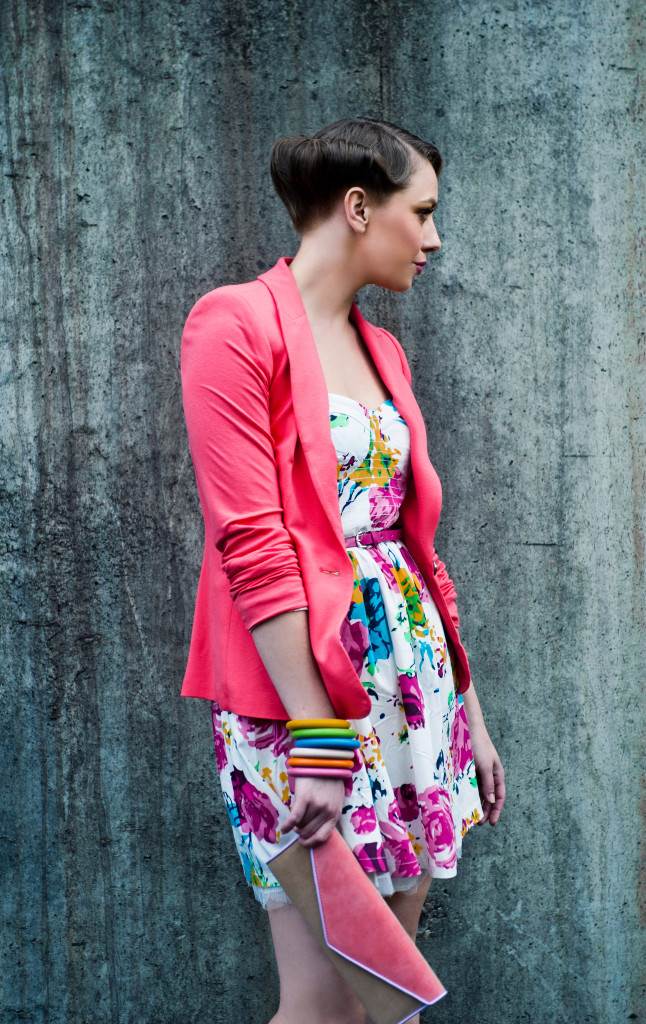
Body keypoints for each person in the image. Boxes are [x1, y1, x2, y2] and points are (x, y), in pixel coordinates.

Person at [180, 116, 506, 1024]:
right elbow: (253, 546)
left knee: (380, 1004)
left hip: (413, 693)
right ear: (360, 208)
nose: (435, 239)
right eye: (423, 212)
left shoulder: (382, 349)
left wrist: (470, 713)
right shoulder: (234, 324)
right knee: (322, 1007)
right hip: (304, 705)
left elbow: (415, 548)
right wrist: (318, 738)